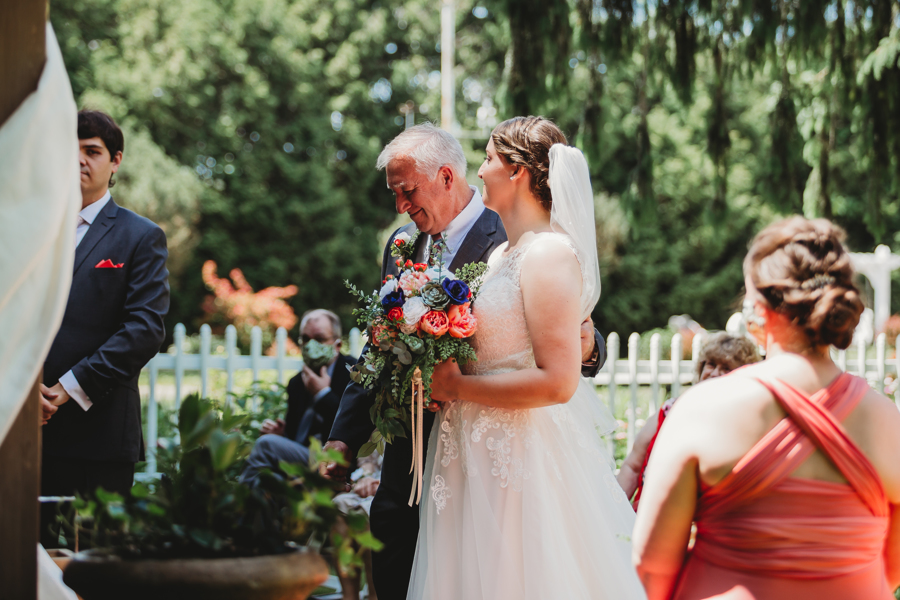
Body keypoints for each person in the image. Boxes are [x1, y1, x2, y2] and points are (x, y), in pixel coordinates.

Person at [323, 122, 607, 600]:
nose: (401, 205)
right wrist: (343, 438)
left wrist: (587, 346)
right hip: (414, 461)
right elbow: (379, 347)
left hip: (497, 456)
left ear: (445, 177)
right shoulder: (404, 244)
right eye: (395, 193)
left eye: (408, 190)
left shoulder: (519, 235)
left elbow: (570, 327)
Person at [406, 116, 645, 599]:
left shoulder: (550, 255)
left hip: (520, 456)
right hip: (468, 451)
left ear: (516, 171)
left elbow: (559, 382)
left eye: (488, 158)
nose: (480, 170)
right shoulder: (500, 258)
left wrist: (456, 387)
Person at [632, 216, 900, 600]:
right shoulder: (886, 420)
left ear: (758, 308)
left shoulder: (703, 409)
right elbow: (891, 567)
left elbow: (652, 566)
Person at [40, 110, 170, 547]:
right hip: (26, 434)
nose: (78, 159)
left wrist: (65, 389)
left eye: (92, 151)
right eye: (69, 149)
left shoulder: (140, 236)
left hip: (98, 437)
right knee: (23, 566)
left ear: (115, 160)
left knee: (97, 567)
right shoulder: (30, 232)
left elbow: (144, 329)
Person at [618, 332, 761, 509]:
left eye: (726, 368)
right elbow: (632, 467)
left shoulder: (743, 427)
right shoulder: (669, 411)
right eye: (711, 364)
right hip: (642, 514)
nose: (714, 373)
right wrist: (616, 511)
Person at [240, 309, 353, 486]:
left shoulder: (353, 374)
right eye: (305, 339)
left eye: (320, 339)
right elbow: (295, 438)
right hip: (303, 461)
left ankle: (236, 501)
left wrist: (323, 394)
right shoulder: (297, 382)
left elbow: (351, 427)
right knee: (267, 481)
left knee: (266, 445)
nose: (310, 345)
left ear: (337, 345)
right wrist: (281, 435)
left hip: (335, 463)